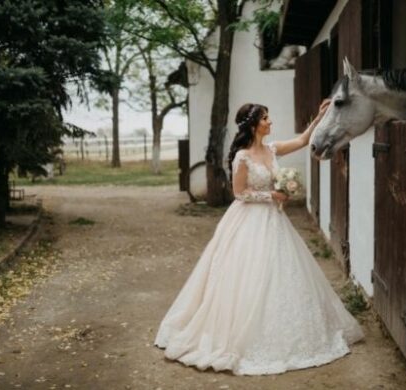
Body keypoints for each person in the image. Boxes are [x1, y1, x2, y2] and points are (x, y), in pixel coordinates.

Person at [154, 100, 364, 375]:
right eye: (266, 118)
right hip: (248, 221)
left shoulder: (272, 149)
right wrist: (271, 195)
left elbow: (303, 140)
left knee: (282, 273)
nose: (270, 122)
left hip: (274, 221)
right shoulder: (242, 157)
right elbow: (239, 193)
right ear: (254, 125)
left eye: (268, 117)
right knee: (248, 276)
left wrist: (320, 118)